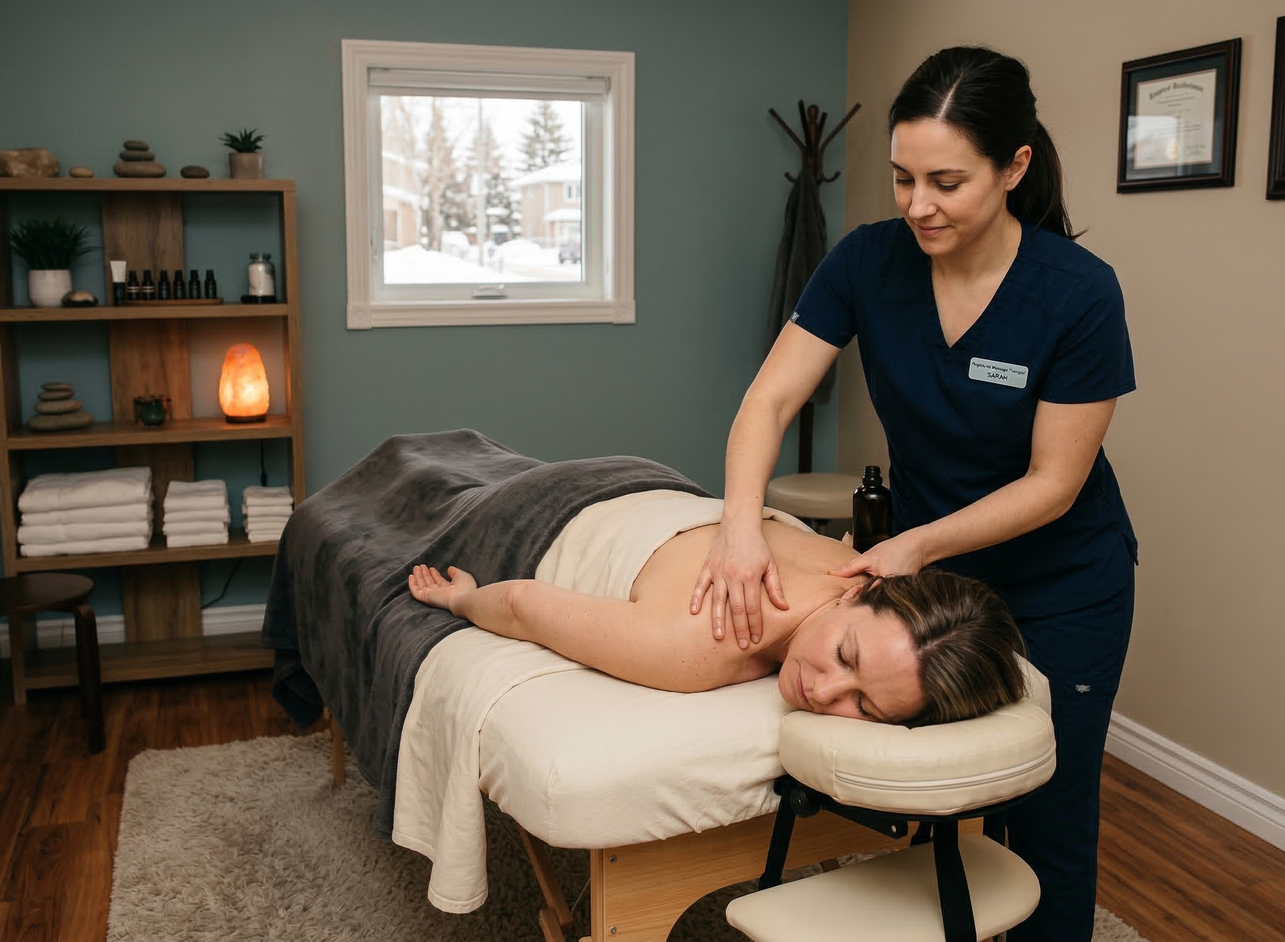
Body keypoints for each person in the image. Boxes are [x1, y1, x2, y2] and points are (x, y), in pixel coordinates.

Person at [692, 46, 1137, 942]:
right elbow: (769, 398)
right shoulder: (867, 263)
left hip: (1063, 582)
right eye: (901, 179)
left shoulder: (1077, 293)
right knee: (934, 792)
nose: (918, 205)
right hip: (939, 590)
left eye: (946, 181)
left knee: (1046, 809)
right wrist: (738, 529)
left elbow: (1056, 483)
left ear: (1014, 168)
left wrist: (918, 543)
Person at [406, 509, 1027, 727]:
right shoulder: (702, 643)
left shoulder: (858, 568)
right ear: (856, 594)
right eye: (846, 658)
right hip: (573, 507)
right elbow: (520, 603)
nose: (824, 690)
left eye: (864, 707)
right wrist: (462, 600)